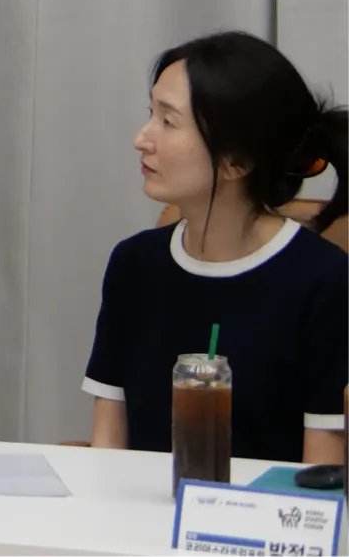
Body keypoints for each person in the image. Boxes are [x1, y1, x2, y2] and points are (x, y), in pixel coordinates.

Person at [84, 31, 347, 465]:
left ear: (237, 161)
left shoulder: (324, 280)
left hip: (266, 508)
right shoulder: (134, 264)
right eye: (151, 114)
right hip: (135, 508)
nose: (142, 138)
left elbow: (321, 474)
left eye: (168, 122)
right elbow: (107, 448)